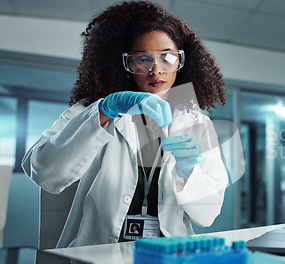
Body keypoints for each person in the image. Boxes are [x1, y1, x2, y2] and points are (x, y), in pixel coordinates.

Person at [22, 1, 228, 248]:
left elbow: (208, 215)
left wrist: (188, 175)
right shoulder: (93, 111)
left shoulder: (198, 125)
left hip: (168, 252)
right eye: (142, 59)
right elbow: (44, 171)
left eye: (167, 57)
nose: (155, 70)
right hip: (100, 251)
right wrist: (103, 113)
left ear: (182, 62)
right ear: (125, 65)